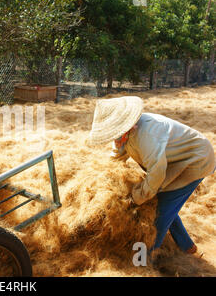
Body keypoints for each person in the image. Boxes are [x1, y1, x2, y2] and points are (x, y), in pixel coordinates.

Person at [88, 96, 215, 255]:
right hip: (172, 163)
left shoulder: (147, 135)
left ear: (127, 127)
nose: (115, 140)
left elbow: (157, 173)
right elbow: (116, 157)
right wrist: (102, 178)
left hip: (195, 161)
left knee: (159, 213)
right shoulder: (125, 135)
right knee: (164, 204)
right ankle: (187, 246)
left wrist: (136, 198)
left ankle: (145, 257)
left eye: (115, 135)